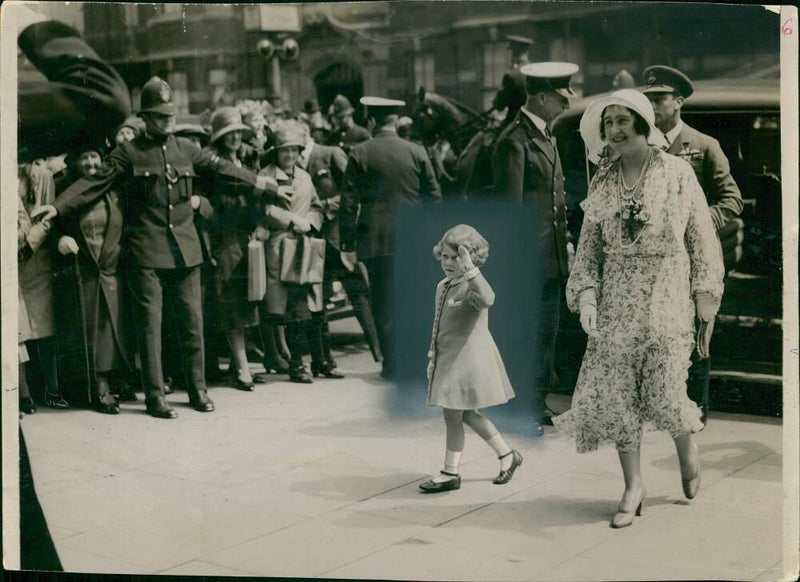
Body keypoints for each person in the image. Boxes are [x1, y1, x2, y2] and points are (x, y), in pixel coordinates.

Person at [34, 76, 284, 419]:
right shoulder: (129, 152)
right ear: (147, 117)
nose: (168, 121)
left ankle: (198, 389)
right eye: (161, 116)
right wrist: (59, 207)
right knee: (151, 327)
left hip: (186, 251)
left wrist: (263, 183)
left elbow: (222, 168)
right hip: (146, 253)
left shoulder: (186, 148)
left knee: (191, 322)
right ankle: (155, 396)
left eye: (170, 115)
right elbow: (95, 182)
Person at [552, 89, 724, 528]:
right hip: (617, 299)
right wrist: (587, 296)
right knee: (616, 397)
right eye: (608, 123)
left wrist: (705, 297)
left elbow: (701, 238)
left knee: (666, 392)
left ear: (645, 125)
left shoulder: (677, 172)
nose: (614, 130)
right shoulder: (603, 180)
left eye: (623, 121)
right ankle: (633, 485)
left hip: (667, 290)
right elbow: (589, 248)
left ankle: (687, 448)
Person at [642, 65, 744, 429]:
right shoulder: (644, 146)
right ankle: (662, 409)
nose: (652, 104)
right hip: (655, 262)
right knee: (659, 334)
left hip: (693, 261)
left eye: (659, 98)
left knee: (697, 334)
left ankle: (696, 410)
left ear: (678, 102)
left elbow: (732, 200)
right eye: (649, 97)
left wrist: (698, 223)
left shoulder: (702, 145)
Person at [491, 61, 579, 434]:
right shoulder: (514, 140)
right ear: (541, 97)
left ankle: (536, 401)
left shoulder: (545, 136)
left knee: (547, 332)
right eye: (561, 98)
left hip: (552, 256)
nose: (564, 104)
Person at [339, 96, 442, 379]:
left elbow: (348, 205)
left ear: (371, 122)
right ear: (395, 121)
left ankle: (392, 365)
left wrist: (347, 244)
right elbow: (434, 197)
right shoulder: (417, 151)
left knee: (383, 304)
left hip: (376, 242)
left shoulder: (359, 153)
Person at [419, 225, 522, 493]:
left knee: (453, 414)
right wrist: (432, 354)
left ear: (471, 259)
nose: (449, 263)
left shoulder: (472, 286)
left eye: (457, 258)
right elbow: (438, 324)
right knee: (464, 414)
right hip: (449, 359)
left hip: (469, 362)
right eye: (445, 257)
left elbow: (488, 298)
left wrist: (470, 269)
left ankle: (450, 472)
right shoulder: (443, 286)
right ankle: (508, 455)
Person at [53, 142, 137, 414]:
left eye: (95, 158)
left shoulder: (114, 189)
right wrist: (61, 238)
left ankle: (117, 377)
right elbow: (53, 224)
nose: (90, 164)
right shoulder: (66, 190)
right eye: (84, 158)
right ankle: (98, 386)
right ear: (75, 163)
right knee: (93, 329)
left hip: (112, 267)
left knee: (115, 326)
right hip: (84, 269)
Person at [297, 121, 382, 371]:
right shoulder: (292, 162)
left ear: (305, 134)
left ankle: (380, 354)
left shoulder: (330, 153)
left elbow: (354, 190)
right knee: (317, 300)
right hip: (312, 241)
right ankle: (324, 361)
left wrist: (324, 208)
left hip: (338, 240)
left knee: (359, 296)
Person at [257, 122, 328, 383]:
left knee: (301, 306)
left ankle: (298, 363)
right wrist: (289, 219)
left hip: (302, 249)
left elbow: (317, 206)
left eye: (293, 150)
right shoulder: (265, 176)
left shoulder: (305, 177)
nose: (289, 155)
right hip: (277, 247)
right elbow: (262, 210)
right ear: (276, 152)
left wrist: (309, 221)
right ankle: (275, 356)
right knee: (277, 308)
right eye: (284, 150)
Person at [205, 107, 261, 391]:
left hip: (245, 237)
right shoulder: (214, 166)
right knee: (232, 305)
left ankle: (238, 364)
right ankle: (242, 369)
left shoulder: (246, 160)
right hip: (224, 240)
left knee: (246, 302)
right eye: (229, 133)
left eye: (238, 132)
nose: (235, 137)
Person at [19, 161, 70, 410]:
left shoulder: (41, 175)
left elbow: (47, 217)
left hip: (34, 257)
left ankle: (52, 388)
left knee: (44, 326)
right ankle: (23, 393)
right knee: (17, 329)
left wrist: (27, 245)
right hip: (10, 259)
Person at [492, 35, 534, 129]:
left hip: (516, 124)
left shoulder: (511, 75)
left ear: (513, 53)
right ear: (527, 51)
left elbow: (499, 105)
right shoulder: (536, 70)